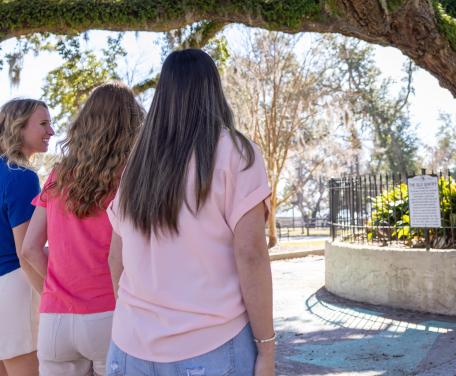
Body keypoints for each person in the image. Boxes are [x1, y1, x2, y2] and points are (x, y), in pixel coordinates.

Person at [106, 49, 274, 376]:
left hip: (128, 347)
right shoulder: (238, 153)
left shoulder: (138, 164)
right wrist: (266, 346)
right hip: (211, 344)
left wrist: (136, 322)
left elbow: (116, 258)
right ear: (213, 90)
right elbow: (251, 254)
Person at [22, 83, 145, 376]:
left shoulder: (58, 175)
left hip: (55, 321)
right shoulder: (132, 177)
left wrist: (56, 292)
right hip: (111, 313)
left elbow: (28, 249)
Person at [0, 99, 54, 376]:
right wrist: (54, 297)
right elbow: (26, 252)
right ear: (19, 128)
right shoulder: (19, 176)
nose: (52, 131)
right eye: (43, 123)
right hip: (15, 289)